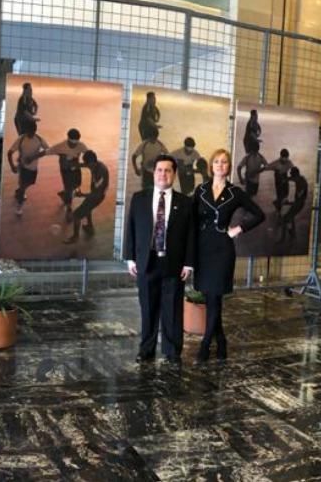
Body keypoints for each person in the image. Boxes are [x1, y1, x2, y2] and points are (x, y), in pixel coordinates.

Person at [193, 149, 265, 362]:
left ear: (229, 167)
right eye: (216, 161)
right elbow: (192, 220)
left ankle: (206, 344)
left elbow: (259, 215)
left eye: (224, 162)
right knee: (210, 297)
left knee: (215, 295)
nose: (220, 165)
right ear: (211, 165)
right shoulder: (201, 190)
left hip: (222, 250)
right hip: (202, 249)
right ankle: (221, 340)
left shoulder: (236, 192)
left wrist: (238, 229)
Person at [125, 155, 194, 367]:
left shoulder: (185, 202)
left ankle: (172, 352)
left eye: (168, 170)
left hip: (173, 264)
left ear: (174, 174)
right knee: (148, 308)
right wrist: (130, 259)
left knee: (172, 309)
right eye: (159, 170)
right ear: (153, 173)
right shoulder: (139, 198)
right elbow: (131, 230)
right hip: (146, 262)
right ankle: (146, 350)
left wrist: (188, 263)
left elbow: (191, 235)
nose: (163, 174)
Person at [64, 150, 108, 244]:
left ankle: (75, 237)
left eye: (88, 164)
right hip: (94, 194)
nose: (87, 166)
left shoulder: (100, 173)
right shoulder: (96, 164)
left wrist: (82, 195)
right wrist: (76, 165)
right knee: (87, 208)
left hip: (97, 197)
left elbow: (97, 194)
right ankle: (90, 227)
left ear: (92, 162)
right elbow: (85, 165)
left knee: (76, 215)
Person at [7, 119, 49, 216]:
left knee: (28, 184)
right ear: (26, 130)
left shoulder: (39, 139)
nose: (30, 134)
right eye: (28, 132)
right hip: (23, 167)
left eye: (32, 132)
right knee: (22, 187)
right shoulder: (21, 139)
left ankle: (21, 190)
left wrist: (34, 157)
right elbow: (9, 153)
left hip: (33, 169)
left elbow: (47, 150)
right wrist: (12, 166)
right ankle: (19, 206)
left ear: (35, 131)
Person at [46, 129, 88, 222]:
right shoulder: (61, 146)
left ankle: (64, 193)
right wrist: (32, 157)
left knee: (77, 184)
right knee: (69, 188)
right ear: (68, 139)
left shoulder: (81, 145)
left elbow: (89, 155)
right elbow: (46, 152)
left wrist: (92, 162)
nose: (74, 145)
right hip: (66, 171)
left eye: (76, 143)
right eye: (72, 144)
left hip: (76, 168)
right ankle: (69, 209)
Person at [279, 167, 308, 241]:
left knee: (285, 218)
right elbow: (291, 179)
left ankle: (284, 237)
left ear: (295, 175)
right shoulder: (300, 178)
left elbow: (300, 196)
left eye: (291, 174)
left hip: (298, 204)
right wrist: (286, 179)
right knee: (290, 217)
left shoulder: (301, 182)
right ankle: (292, 232)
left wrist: (291, 203)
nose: (291, 176)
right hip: (298, 203)